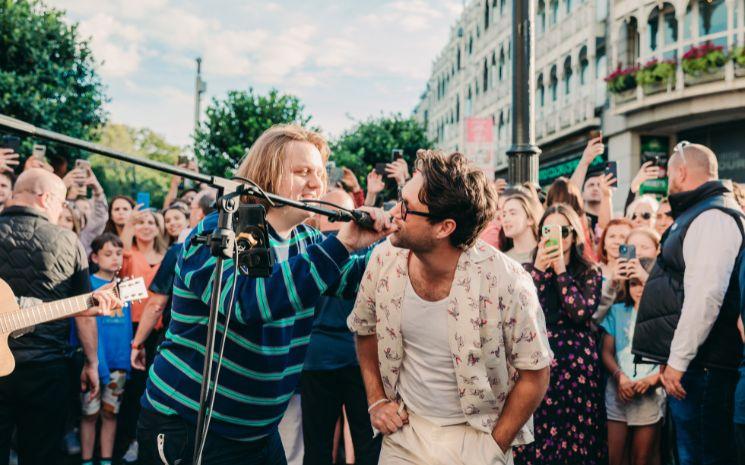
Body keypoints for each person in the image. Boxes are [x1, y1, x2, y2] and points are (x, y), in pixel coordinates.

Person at [136, 124, 393, 465]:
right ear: (265, 176)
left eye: (319, 173)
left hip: (257, 434)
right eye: (302, 172)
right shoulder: (232, 228)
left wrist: (393, 244)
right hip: (192, 428)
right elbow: (251, 301)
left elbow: (357, 283)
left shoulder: (306, 239)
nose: (317, 184)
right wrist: (342, 244)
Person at [348, 150, 552, 465]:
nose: (394, 212)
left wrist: (494, 447)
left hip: (476, 439)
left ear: (444, 227)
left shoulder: (509, 282)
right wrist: (376, 401)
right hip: (405, 434)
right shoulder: (383, 259)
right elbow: (365, 329)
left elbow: (535, 372)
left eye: (407, 207)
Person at [633, 142, 743, 465]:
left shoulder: (714, 217)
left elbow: (704, 298)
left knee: (703, 456)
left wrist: (678, 363)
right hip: (696, 368)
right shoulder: (703, 212)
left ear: (681, 172)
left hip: (705, 369)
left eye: (669, 175)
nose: (668, 184)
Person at [0, 168, 118, 465]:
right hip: (45, 369)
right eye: (60, 203)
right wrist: (91, 363)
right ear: (46, 198)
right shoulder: (67, 241)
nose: (61, 210)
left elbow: (82, 307)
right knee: (40, 454)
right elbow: (84, 315)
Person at [515, 203, 606, 465]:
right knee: (540, 435)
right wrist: (541, 271)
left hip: (576, 367)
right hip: (539, 362)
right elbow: (524, 312)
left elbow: (580, 313)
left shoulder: (589, 271)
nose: (556, 237)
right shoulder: (527, 270)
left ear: (575, 234)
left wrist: (561, 271)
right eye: (548, 230)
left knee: (577, 436)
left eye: (563, 230)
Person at [301, 189, 382, 465]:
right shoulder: (361, 249)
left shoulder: (308, 249)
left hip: (318, 358)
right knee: (367, 443)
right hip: (356, 358)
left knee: (317, 446)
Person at [601, 258, 664, 465]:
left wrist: (652, 380)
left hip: (650, 394)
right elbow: (606, 351)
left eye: (645, 282)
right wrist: (620, 376)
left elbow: (670, 359)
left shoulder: (663, 316)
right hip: (618, 390)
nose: (639, 289)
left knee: (642, 458)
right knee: (615, 457)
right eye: (634, 283)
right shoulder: (618, 311)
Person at [80, 233, 133, 465]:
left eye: (119, 253)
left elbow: (128, 325)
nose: (115, 258)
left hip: (118, 362)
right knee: (89, 413)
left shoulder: (126, 286)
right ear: (95, 256)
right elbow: (83, 324)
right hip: (92, 361)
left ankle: (106, 459)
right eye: (108, 254)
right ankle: (86, 460)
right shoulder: (88, 284)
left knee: (110, 413)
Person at [594, 218, 633, 323]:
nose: (617, 242)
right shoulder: (593, 271)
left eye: (623, 237)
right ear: (604, 243)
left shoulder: (636, 271)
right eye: (612, 236)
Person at [498, 190, 543, 264]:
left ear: (530, 219)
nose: (505, 219)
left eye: (512, 213)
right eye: (504, 215)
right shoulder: (503, 260)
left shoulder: (545, 253)